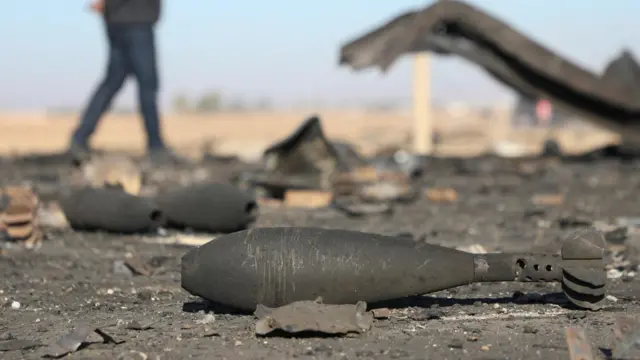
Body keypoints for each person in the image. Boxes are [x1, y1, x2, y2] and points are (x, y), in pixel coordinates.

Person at [69, 0, 184, 164]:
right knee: (147, 84)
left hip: (117, 20)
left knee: (113, 82)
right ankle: (155, 146)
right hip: (136, 20)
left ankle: (80, 138)